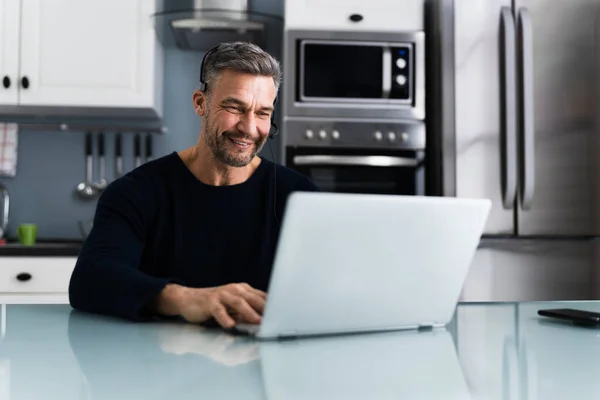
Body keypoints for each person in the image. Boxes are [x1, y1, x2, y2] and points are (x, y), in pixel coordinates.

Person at [68, 41, 317, 329]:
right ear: (200, 103)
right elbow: (91, 279)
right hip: (156, 364)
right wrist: (186, 299)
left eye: (262, 113)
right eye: (235, 107)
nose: (249, 128)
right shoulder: (136, 192)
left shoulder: (299, 196)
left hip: (265, 365)